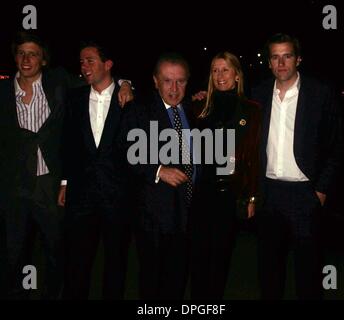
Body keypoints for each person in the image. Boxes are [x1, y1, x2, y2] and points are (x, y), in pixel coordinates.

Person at [0, 31, 133, 299]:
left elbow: (99, 79)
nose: (26, 59)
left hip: (48, 185)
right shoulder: (2, 91)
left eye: (33, 53)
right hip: (14, 186)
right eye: (21, 53)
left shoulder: (60, 83)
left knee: (57, 252)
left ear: (43, 60)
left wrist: (126, 82)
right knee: (12, 252)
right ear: (15, 57)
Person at [251, 33, 343, 299]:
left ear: (298, 59)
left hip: (305, 194)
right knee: (269, 271)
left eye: (287, 56)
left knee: (309, 273)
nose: (281, 63)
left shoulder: (320, 92)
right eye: (275, 57)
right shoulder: (257, 94)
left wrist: (321, 190)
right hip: (269, 194)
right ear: (269, 62)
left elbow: (335, 145)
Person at [59, 41, 133, 299]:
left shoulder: (129, 98)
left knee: (116, 264)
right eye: (81, 61)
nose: (84, 66)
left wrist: (127, 83)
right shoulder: (75, 98)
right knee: (77, 264)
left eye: (90, 60)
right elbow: (67, 143)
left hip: (118, 197)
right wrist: (65, 182)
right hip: (82, 196)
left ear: (108, 64)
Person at [120, 52, 197, 300]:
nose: (174, 88)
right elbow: (124, 153)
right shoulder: (139, 110)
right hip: (154, 214)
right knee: (153, 279)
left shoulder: (195, 109)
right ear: (155, 81)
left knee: (177, 279)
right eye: (167, 81)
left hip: (188, 212)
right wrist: (158, 170)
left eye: (181, 81)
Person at [190, 52, 261, 299]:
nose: (219, 76)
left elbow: (253, 157)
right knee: (198, 258)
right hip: (200, 194)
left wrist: (251, 197)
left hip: (228, 196)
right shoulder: (199, 106)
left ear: (237, 75)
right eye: (214, 70)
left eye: (225, 70)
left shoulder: (252, 112)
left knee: (220, 259)